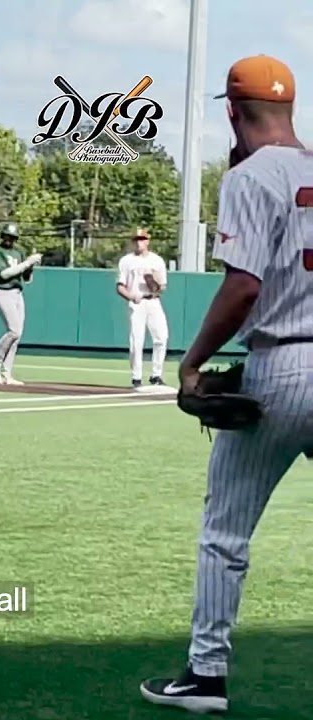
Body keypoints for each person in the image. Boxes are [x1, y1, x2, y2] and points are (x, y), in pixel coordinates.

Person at [140, 54, 311, 714]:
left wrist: (191, 365)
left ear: (233, 112)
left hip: (282, 368)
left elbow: (243, 287)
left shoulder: (249, 175)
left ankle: (206, 675)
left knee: (225, 533)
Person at [115, 227, 171, 390]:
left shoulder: (157, 260)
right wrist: (131, 296)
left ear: (148, 241)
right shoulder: (126, 261)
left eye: (142, 239)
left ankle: (156, 374)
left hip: (153, 301)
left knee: (161, 337)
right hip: (137, 301)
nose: (139, 242)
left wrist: (153, 283)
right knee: (136, 340)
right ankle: (136, 377)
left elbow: (162, 287)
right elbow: (120, 286)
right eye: (137, 239)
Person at [0, 223, 41, 386]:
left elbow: (27, 278)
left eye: (12, 237)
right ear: (2, 236)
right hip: (2, 292)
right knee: (14, 331)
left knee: (17, 336)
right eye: (7, 236)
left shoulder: (19, 252)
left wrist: (31, 265)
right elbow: (4, 274)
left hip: (17, 293)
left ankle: (7, 373)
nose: (9, 240)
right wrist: (27, 262)